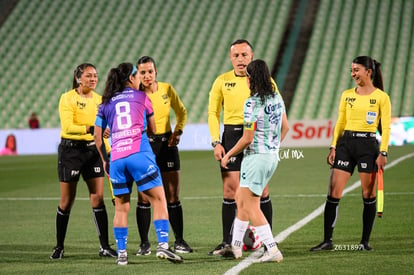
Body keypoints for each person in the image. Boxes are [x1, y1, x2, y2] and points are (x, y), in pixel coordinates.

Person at [94, 62, 183, 265]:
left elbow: (97, 136)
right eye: (137, 75)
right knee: (159, 200)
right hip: (139, 154)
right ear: (130, 79)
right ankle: (162, 246)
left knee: (121, 207)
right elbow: (152, 128)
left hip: (116, 158)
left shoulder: (105, 102)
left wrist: (105, 161)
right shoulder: (142, 97)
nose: (140, 79)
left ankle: (122, 254)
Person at [310, 56, 391, 252]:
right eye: (352, 70)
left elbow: (386, 128)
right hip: (345, 145)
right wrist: (333, 146)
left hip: (368, 147)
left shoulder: (381, 97)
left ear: (368, 72)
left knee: (368, 195)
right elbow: (340, 122)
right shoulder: (347, 95)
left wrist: (383, 152)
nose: (353, 74)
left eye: (356, 70)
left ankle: (364, 242)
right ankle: (327, 241)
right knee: (333, 193)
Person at [207, 39, 280, 255]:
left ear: (251, 56)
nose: (240, 59)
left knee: (261, 190)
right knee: (230, 191)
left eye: (244, 55)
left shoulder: (267, 82)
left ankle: (267, 241)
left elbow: (278, 114)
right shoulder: (221, 81)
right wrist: (216, 141)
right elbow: (213, 113)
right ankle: (228, 242)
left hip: (256, 137)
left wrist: (273, 142)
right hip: (230, 136)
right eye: (236, 55)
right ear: (231, 58)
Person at [221, 59, 289, 262]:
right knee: (242, 201)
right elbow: (285, 127)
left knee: (251, 207)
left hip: (255, 159)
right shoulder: (276, 97)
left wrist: (228, 154)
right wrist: (272, 146)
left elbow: (247, 138)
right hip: (270, 157)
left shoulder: (252, 102)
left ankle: (272, 249)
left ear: (250, 79)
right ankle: (236, 247)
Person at [50, 63, 117, 260]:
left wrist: (107, 149)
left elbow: (104, 131)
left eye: (95, 75)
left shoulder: (100, 100)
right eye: (88, 76)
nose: (93, 79)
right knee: (67, 201)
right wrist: (91, 129)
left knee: (97, 197)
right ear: (79, 78)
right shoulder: (67, 98)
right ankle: (59, 246)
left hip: (93, 151)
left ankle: (104, 246)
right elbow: (68, 127)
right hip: (71, 152)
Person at [135, 56, 192, 255]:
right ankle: (144, 244)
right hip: (144, 145)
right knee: (144, 197)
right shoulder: (135, 95)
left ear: (156, 72)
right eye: (142, 72)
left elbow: (182, 112)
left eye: (150, 71)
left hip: (167, 144)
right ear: (137, 74)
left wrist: (178, 132)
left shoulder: (167, 89)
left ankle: (179, 241)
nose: (147, 76)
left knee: (173, 195)